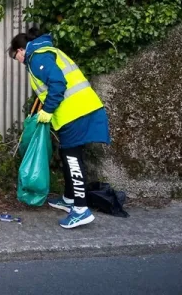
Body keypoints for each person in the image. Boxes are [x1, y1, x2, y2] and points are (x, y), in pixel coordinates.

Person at [8, 28, 110, 229]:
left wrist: (47, 110)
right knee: (68, 155)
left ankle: (81, 210)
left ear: (21, 50)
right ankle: (70, 198)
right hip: (80, 110)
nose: (18, 60)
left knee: (72, 159)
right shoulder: (47, 51)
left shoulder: (37, 57)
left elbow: (57, 84)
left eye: (15, 56)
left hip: (75, 114)